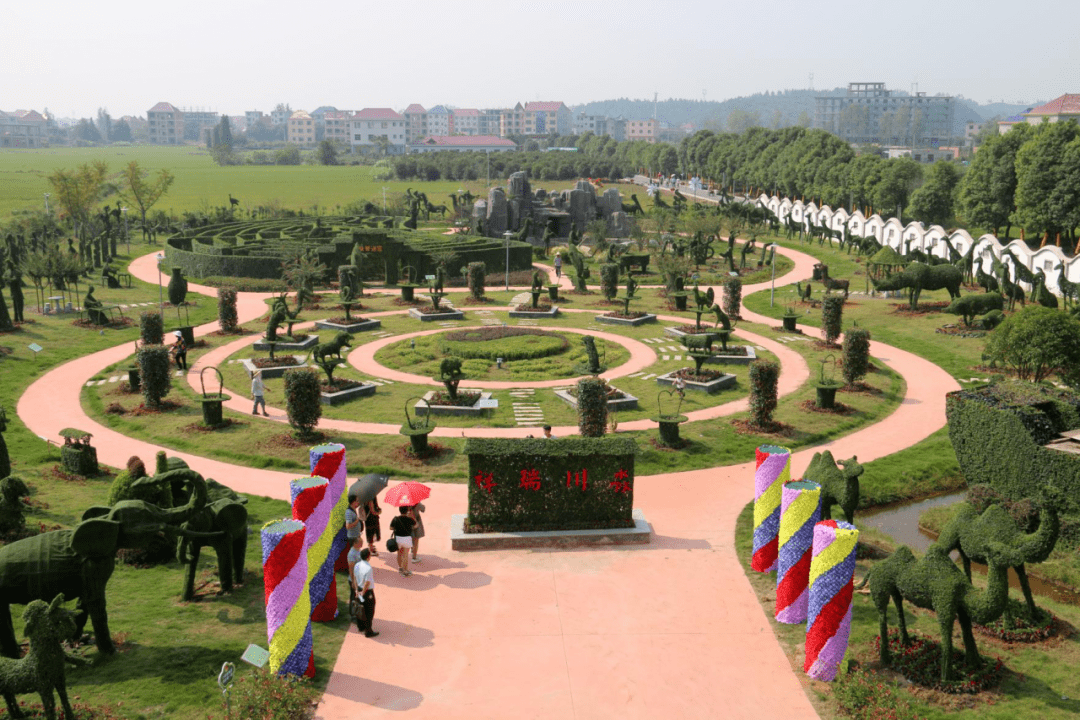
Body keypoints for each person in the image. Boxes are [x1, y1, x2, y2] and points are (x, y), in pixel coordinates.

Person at [351, 547, 378, 638]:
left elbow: (354, 578)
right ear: (368, 557)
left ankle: (361, 626)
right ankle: (368, 631)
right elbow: (367, 582)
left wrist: (356, 590)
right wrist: (363, 592)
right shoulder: (368, 568)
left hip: (359, 590)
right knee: (369, 611)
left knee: (360, 608)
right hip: (367, 592)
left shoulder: (357, 565)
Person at [389, 505, 415, 576]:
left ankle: (400, 568)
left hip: (398, 538)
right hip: (407, 538)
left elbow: (391, 528)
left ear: (399, 510)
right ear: (407, 511)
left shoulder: (395, 519)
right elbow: (416, 525)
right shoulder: (409, 519)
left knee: (399, 554)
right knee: (406, 555)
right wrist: (412, 517)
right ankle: (405, 570)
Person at [345, 495, 364, 570]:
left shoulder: (353, 510)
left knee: (356, 555)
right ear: (353, 502)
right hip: (353, 538)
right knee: (353, 557)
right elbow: (348, 526)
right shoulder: (349, 512)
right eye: (357, 501)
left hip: (356, 536)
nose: (358, 502)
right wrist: (357, 520)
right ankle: (353, 572)